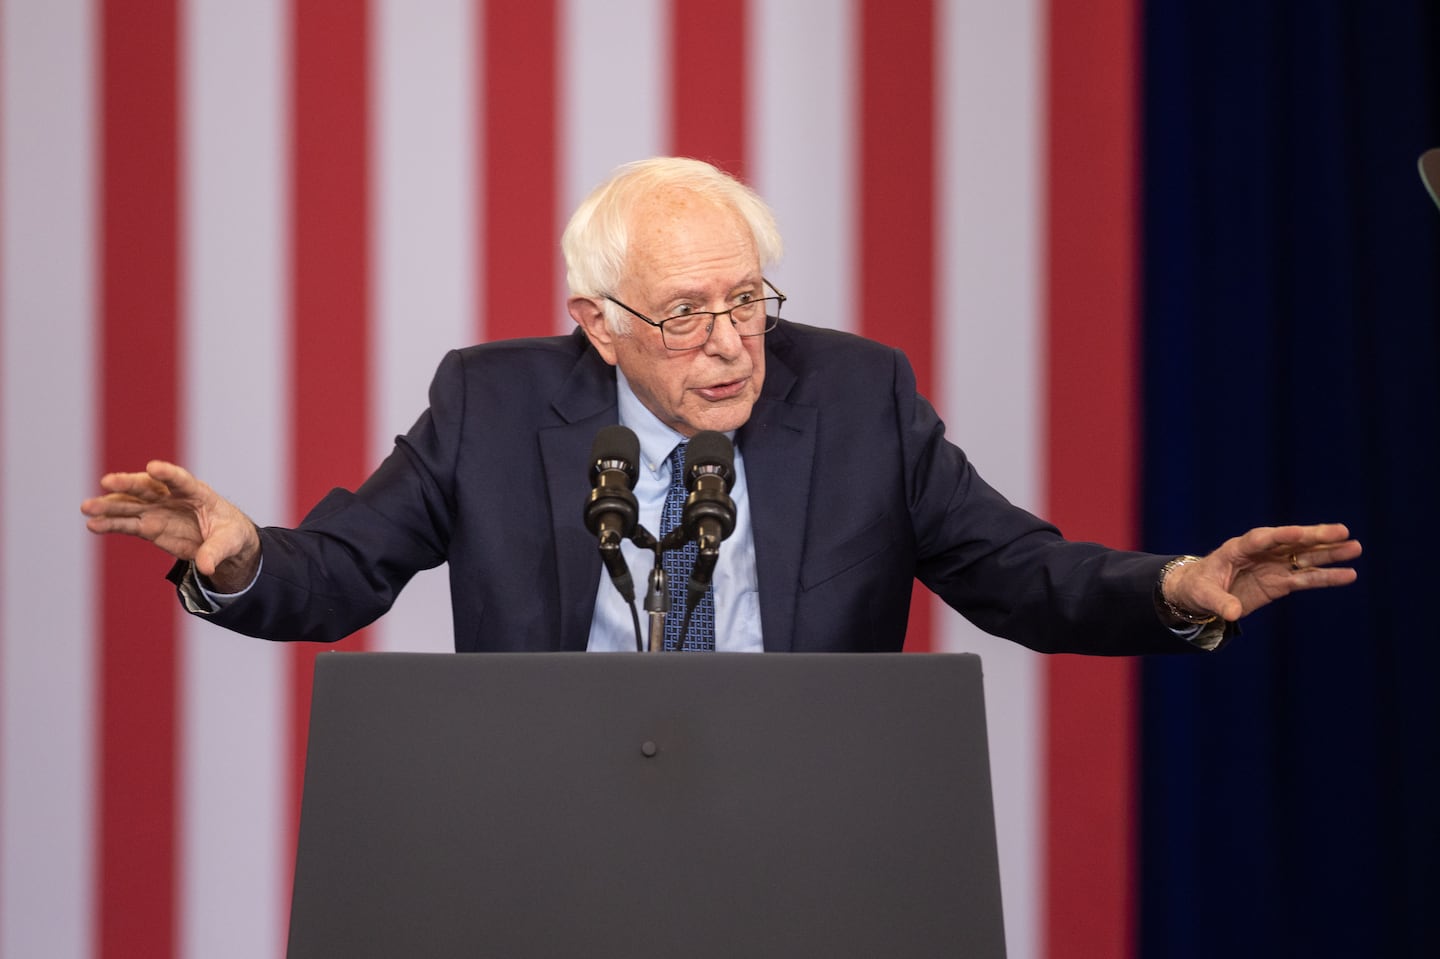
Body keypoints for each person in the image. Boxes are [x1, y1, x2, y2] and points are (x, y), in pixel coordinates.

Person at [80, 157, 1360, 654]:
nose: (733, 344)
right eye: (685, 314)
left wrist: (1179, 586)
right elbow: (347, 567)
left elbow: (1019, 569)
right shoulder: (490, 401)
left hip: (805, 816)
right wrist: (241, 556)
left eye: (748, 300)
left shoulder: (859, 393)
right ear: (598, 322)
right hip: (546, 822)